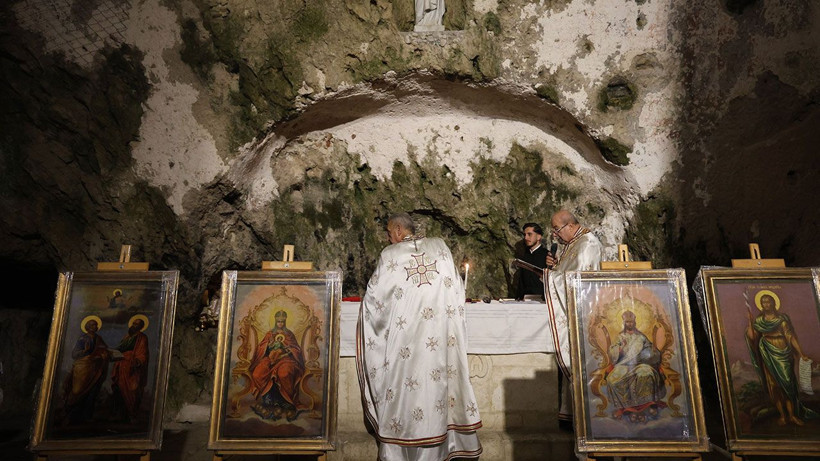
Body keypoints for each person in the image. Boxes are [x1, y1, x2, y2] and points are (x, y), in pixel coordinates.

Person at [357, 212, 482, 461]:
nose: (388, 238)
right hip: (439, 338)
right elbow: (456, 289)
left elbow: (374, 297)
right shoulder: (441, 247)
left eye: (389, 233)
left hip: (406, 343)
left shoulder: (390, 255)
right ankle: (445, 448)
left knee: (407, 393)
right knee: (439, 388)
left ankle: (404, 450)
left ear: (399, 231)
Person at [543, 209, 603, 426]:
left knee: (581, 366)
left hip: (583, 317)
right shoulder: (572, 244)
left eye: (557, 230)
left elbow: (578, 285)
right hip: (571, 313)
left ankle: (588, 422)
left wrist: (550, 278)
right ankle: (570, 416)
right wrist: (553, 268)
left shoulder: (587, 244)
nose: (555, 235)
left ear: (570, 225)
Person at [745, 290, 819, 426]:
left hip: (783, 351)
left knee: (788, 385)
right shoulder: (759, 321)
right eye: (763, 302)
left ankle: (792, 416)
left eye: (768, 301)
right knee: (774, 386)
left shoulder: (782, 320)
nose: (766, 304)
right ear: (761, 305)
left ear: (774, 303)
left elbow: (790, 337)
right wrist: (750, 324)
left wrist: (801, 353)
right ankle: (783, 416)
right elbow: (752, 337)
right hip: (767, 352)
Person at [605, 310, 667, 422]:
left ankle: (646, 405)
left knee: (646, 373)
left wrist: (650, 352)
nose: (630, 324)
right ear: (624, 323)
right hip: (623, 364)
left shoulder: (641, 337)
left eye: (631, 322)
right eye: (627, 322)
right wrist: (620, 349)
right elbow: (612, 352)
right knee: (612, 379)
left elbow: (650, 350)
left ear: (635, 322)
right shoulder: (620, 337)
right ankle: (625, 406)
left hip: (641, 363)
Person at [249, 310, 307, 421]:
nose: (280, 323)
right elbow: (261, 348)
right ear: (275, 321)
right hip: (270, 358)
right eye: (278, 321)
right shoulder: (270, 334)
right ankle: (268, 399)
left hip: (286, 359)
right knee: (258, 372)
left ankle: (286, 402)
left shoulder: (289, 334)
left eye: (282, 321)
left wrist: (287, 349)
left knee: (284, 373)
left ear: (285, 321)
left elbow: (296, 349)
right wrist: (268, 345)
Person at [62, 316, 110, 424]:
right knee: (78, 392)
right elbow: (75, 354)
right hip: (83, 369)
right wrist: (85, 351)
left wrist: (104, 354)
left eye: (96, 325)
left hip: (96, 370)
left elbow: (105, 349)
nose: (95, 326)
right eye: (93, 325)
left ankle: (87, 416)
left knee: (92, 393)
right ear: (87, 327)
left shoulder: (98, 339)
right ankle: (71, 415)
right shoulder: (82, 339)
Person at [111, 315, 149, 423]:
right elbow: (120, 348)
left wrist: (138, 361)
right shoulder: (127, 336)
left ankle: (132, 414)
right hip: (121, 365)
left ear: (141, 326)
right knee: (118, 389)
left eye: (137, 324)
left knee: (132, 390)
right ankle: (120, 414)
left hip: (132, 368)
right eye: (133, 323)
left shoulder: (142, 337)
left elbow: (143, 353)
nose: (134, 325)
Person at [515, 222, 548, 300]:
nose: (526, 238)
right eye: (525, 235)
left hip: (541, 300)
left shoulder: (547, 256)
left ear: (539, 237)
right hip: (524, 299)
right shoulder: (524, 256)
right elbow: (521, 281)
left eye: (529, 234)